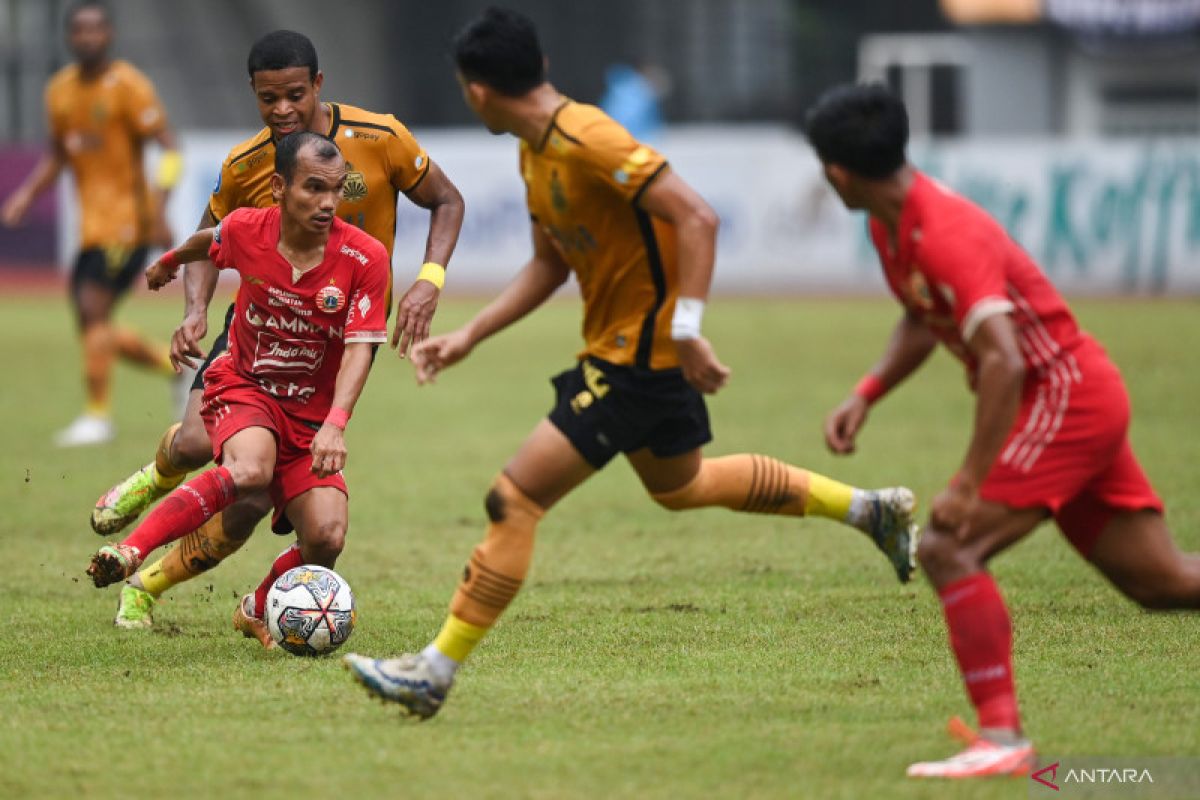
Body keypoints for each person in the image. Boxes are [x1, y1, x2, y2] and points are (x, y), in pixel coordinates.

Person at [342, 7, 919, 720]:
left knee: (513, 499)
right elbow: (549, 266)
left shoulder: (589, 138)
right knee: (684, 486)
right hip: (627, 354)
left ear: (477, 91)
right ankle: (871, 511)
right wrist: (470, 336)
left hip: (637, 362)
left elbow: (698, 216)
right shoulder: (535, 148)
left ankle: (433, 671)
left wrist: (689, 328)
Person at [803, 83, 1200, 779]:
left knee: (949, 545)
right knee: (1161, 582)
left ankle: (1003, 737)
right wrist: (867, 393)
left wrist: (968, 483)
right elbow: (923, 316)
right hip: (1075, 395)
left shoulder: (947, 231)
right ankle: (1002, 738)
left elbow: (1004, 361)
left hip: (1064, 399)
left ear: (837, 172)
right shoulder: (889, 223)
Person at [88, 29, 465, 635]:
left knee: (251, 503)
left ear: (318, 84)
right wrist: (195, 311)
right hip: (258, 331)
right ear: (255, 97)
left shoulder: (380, 138)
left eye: (294, 95)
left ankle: (149, 585)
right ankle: (153, 483)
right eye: (269, 100)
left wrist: (428, 279)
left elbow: (446, 200)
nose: (283, 110)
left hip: (334, 350)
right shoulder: (247, 164)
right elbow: (208, 241)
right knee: (198, 447)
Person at [86, 132, 390, 651]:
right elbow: (210, 239)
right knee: (247, 469)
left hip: (309, 415)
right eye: (313, 188)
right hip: (245, 384)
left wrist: (335, 425)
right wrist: (170, 262)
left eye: (336, 191)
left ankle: (257, 606)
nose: (327, 203)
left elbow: (360, 349)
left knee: (326, 537)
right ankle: (131, 551)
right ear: (278, 187)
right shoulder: (250, 228)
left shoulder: (364, 258)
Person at [0, 0, 181, 447]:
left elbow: (170, 149)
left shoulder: (129, 86)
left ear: (109, 36)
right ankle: (175, 366)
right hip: (91, 226)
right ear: (69, 37)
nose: (88, 37)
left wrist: (158, 211)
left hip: (127, 224)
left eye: (96, 30)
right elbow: (60, 155)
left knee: (93, 313)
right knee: (90, 323)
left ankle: (97, 417)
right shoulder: (59, 91)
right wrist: (26, 194)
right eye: (80, 30)